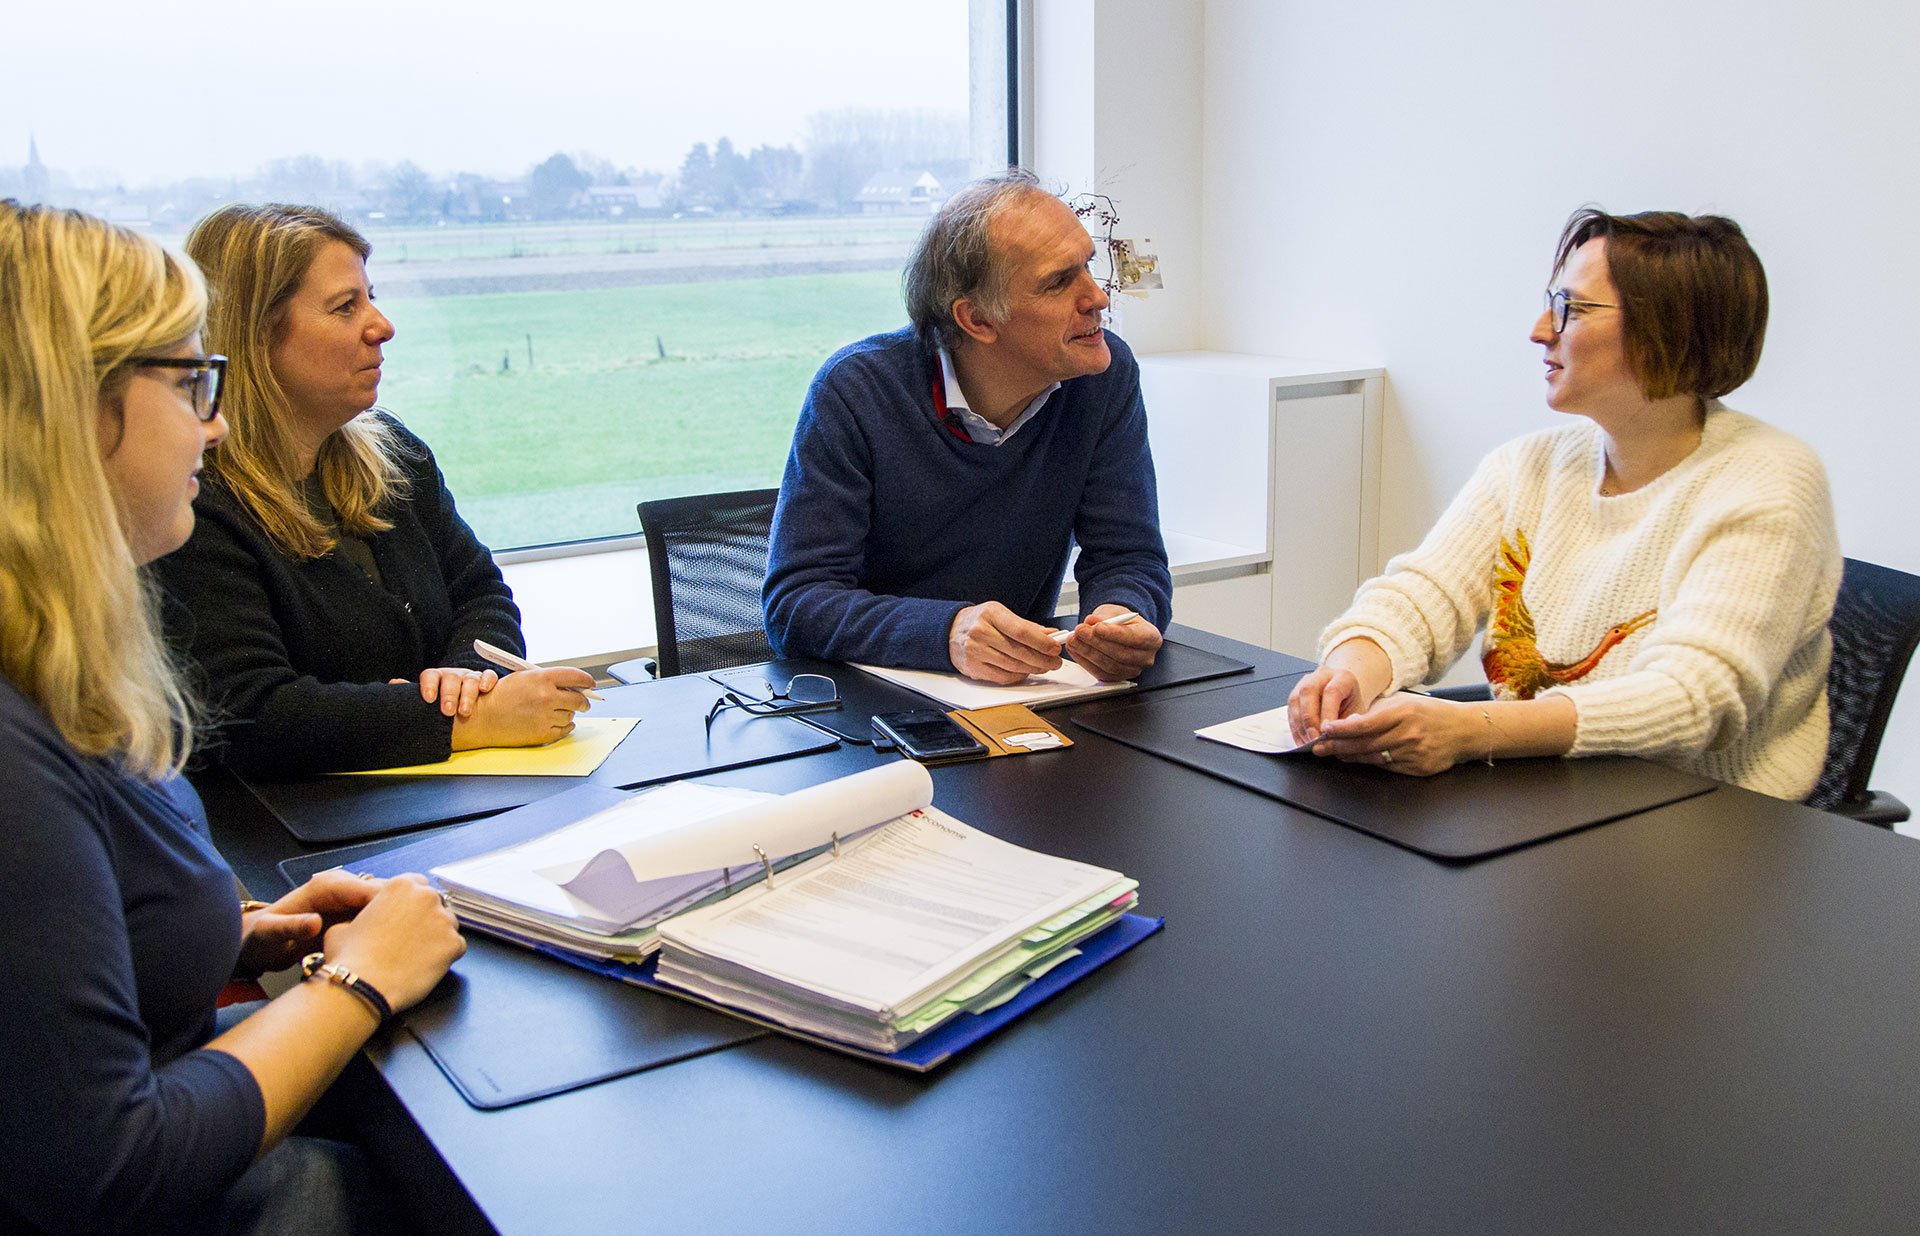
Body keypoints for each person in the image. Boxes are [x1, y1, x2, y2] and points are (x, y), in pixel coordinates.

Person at [0, 199, 466, 1233]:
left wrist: (232, 938)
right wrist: (355, 980)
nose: (212, 419)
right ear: (68, 412)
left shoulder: (54, 673)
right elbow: (107, 1170)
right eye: (186, 381)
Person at [1288, 208, 1840, 801]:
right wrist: (1350, 670)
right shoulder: (1528, 466)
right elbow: (1421, 599)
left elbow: (1693, 697)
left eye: (1570, 309)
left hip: (1710, 830)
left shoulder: (1768, 482)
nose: (1540, 330)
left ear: (1666, 329)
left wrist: (1473, 731)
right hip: (1547, 801)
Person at [153, 204, 593, 775]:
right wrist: (460, 720)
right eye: (345, 307)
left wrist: (466, 681)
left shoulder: (395, 457)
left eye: (371, 296)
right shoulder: (194, 503)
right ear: (256, 334)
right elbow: (248, 713)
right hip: (294, 837)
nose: (382, 325)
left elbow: (481, 593)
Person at [762, 169, 1173, 685]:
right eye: (1059, 282)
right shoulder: (857, 391)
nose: (1098, 297)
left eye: (1088, 267)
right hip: (867, 709)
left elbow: (1128, 554)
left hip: (1012, 701)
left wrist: (1121, 617)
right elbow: (796, 606)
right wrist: (948, 632)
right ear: (977, 320)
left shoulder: (1102, 377)